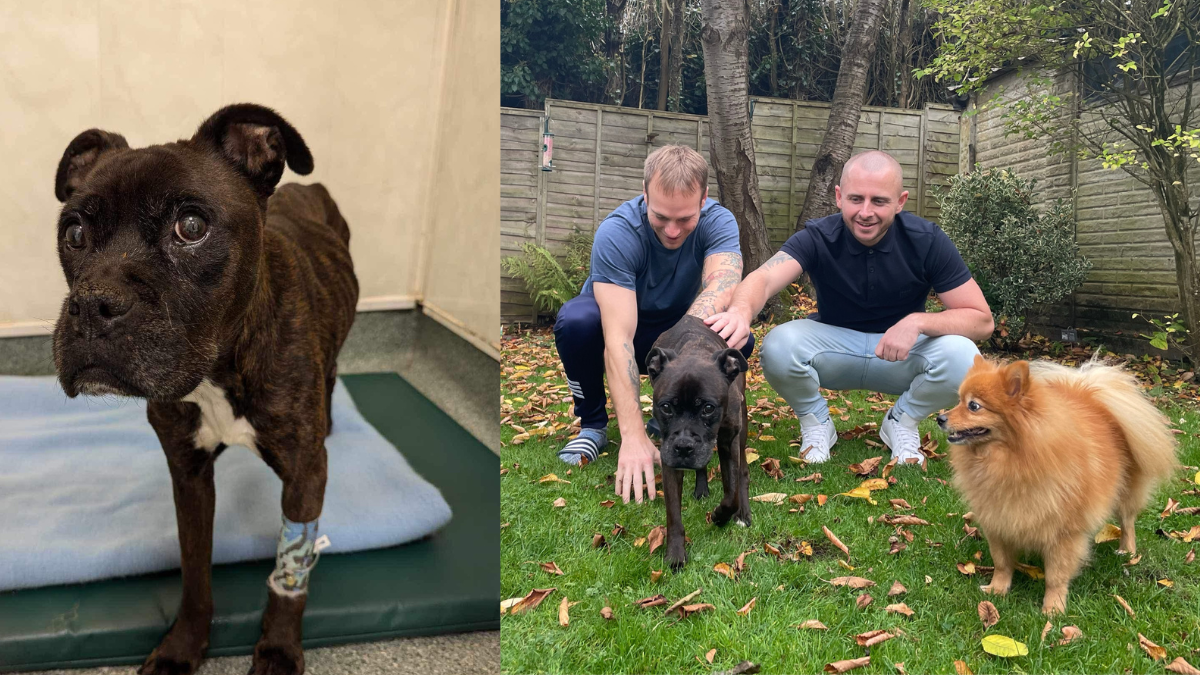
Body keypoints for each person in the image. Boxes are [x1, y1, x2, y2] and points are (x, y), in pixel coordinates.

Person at [705, 150, 993, 467]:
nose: (865, 212)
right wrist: (740, 311)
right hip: (835, 349)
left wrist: (917, 323)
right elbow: (763, 278)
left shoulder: (927, 240)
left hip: (902, 353)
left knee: (965, 356)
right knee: (778, 344)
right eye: (856, 199)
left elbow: (981, 320)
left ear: (900, 202)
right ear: (839, 197)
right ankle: (816, 423)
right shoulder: (819, 236)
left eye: (879, 201)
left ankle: (901, 421)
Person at [553, 145, 753, 503]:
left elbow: (722, 282)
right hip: (625, 320)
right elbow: (618, 338)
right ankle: (594, 425)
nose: (673, 231)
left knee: (733, 335)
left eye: (685, 219)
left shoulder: (719, 221)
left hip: (680, 328)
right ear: (644, 195)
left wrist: (686, 346)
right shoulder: (617, 232)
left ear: (704, 199)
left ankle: (674, 417)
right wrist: (630, 435)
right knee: (577, 321)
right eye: (661, 217)